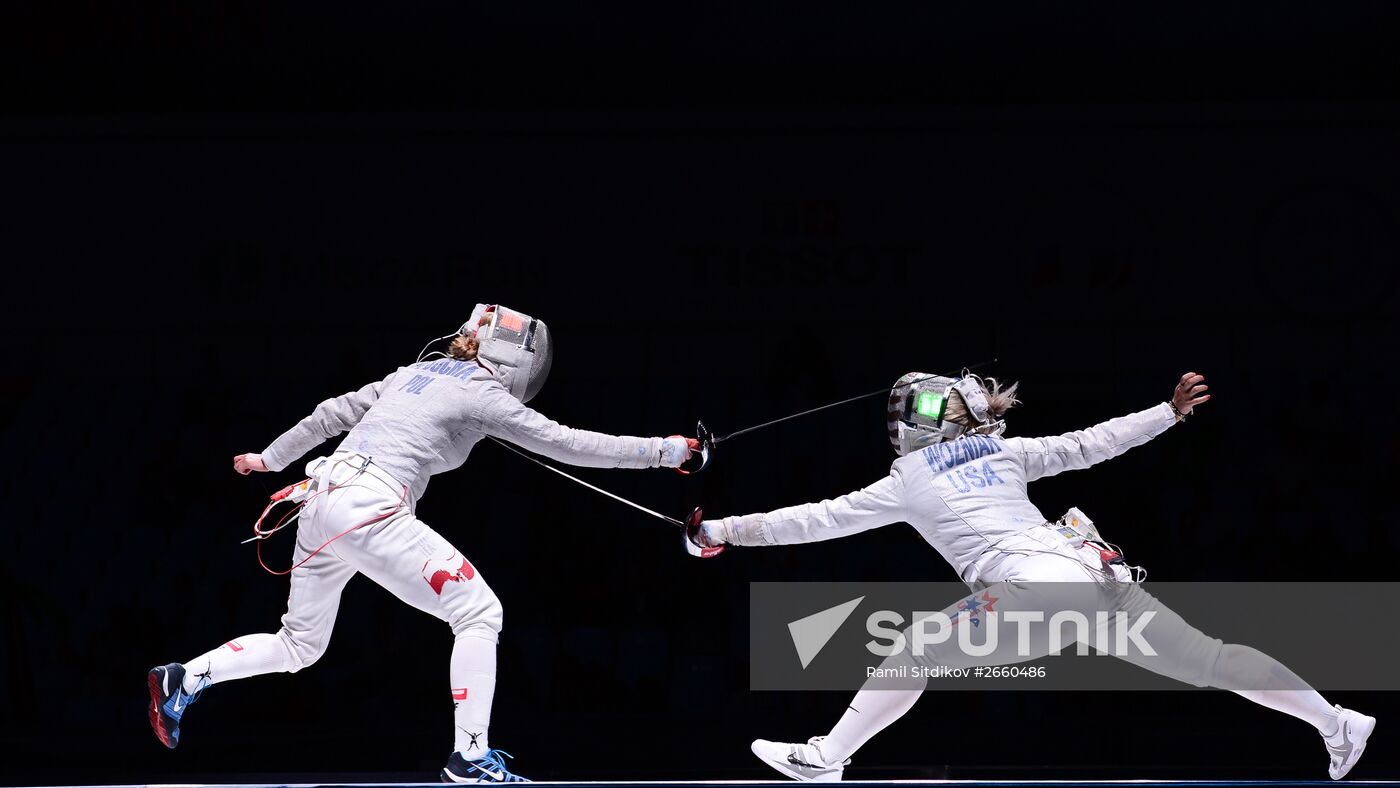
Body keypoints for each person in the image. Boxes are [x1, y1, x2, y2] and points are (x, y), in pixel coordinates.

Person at [695, 371, 1376, 782]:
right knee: (1210, 660)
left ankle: (828, 758)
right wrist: (1168, 413)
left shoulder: (908, 477)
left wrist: (719, 531)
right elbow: (1090, 444)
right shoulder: (1007, 452)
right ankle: (1337, 721)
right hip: (1094, 576)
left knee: (916, 650)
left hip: (1039, 588)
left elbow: (814, 520)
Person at [147, 303, 696, 783]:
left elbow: (331, 413)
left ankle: (185, 677)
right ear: (517, 362)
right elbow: (567, 443)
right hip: (368, 506)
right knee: (478, 610)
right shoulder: (483, 392)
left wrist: (269, 459)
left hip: (318, 499)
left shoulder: (416, 372)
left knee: (300, 646)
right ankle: (471, 758)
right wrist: (664, 452)